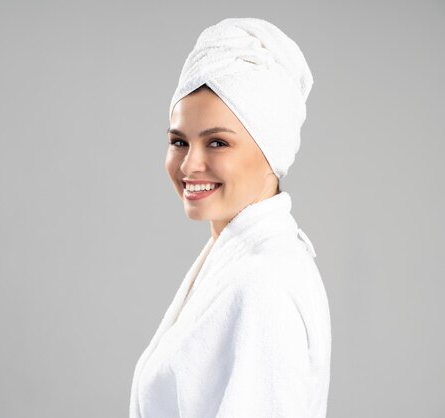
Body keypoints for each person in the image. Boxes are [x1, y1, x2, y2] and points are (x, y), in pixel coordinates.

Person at [129, 18, 331, 418]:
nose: (189, 164)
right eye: (178, 141)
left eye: (217, 142)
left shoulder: (262, 281)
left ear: (272, 151)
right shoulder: (237, 260)